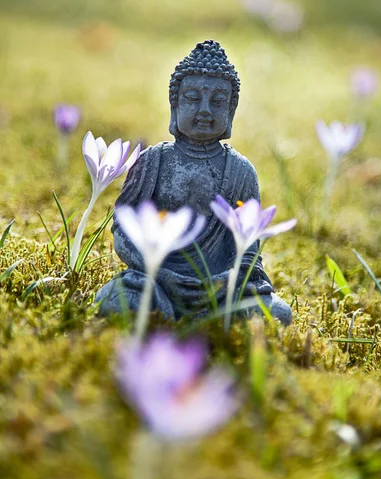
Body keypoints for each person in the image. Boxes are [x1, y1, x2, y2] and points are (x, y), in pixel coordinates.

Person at [96, 40, 292, 325]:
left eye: (217, 102)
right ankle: (172, 315)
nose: (204, 110)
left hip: (221, 288)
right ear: (174, 105)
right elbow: (123, 228)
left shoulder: (241, 170)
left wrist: (230, 277)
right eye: (192, 98)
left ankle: (184, 319)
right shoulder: (153, 161)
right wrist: (158, 272)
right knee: (118, 298)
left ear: (231, 111)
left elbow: (250, 243)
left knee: (276, 313)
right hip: (157, 280)